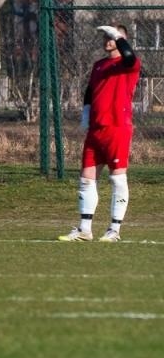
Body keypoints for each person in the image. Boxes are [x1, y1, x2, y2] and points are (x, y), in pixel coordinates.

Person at [59, 24, 141, 242]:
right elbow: (90, 91)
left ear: (122, 40)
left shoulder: (128, 64)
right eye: (105, 37)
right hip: (96, 129)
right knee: (86, 178)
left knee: (117, 178)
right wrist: (86, 113)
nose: (108, 40)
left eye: (112, 37)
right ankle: (84, 229)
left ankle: (114, 230)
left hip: (117, 128)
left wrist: (117, 35)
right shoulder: (99, 65)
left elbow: (129, 56)